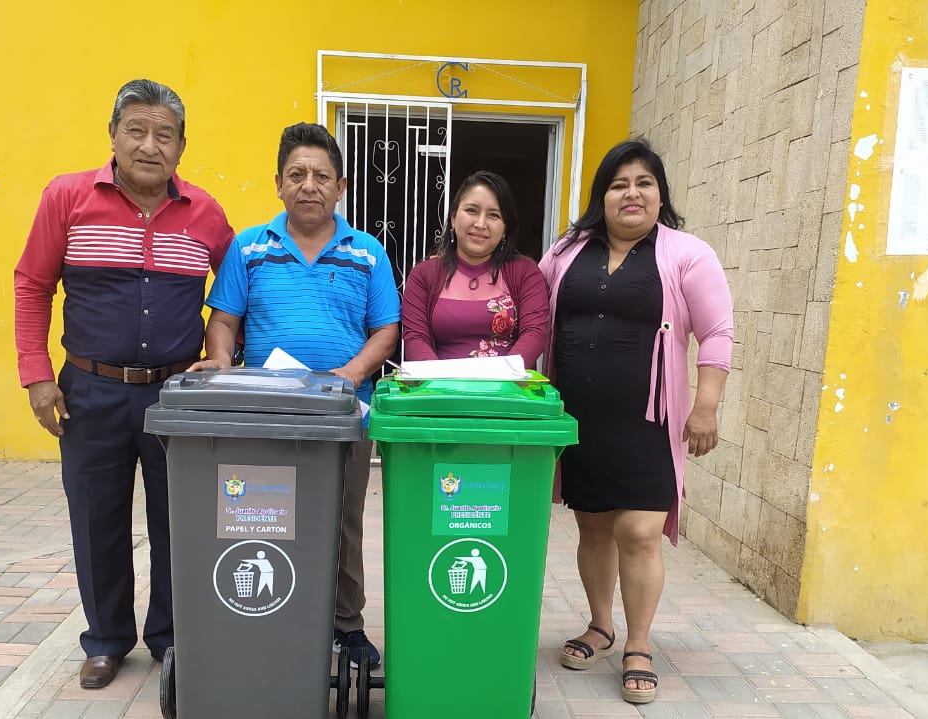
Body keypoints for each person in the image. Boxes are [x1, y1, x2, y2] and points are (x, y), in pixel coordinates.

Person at [13, 79, 234, 689]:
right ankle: (106, 640)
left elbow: (237, 293)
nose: (149, 145)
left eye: (164, 135)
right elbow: (32, 284)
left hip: (176, 396)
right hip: (89, 391)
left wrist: (226, 360)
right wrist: (37, 377)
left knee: (179, 521)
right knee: (96, 519)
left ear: (182, 146)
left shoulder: (206, 213)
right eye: (136, 130)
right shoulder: (66, 197)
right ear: (112, 135)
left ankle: (170, 637)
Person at [189, 122, 399, 668]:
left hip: (343, 413)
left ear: (341, 186)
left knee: (343, 522)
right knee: (266, 517)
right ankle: (270, 612)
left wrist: (350, 373)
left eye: (322, 176)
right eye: (297, 174)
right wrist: (220, 360)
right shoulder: (249, 247)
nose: (309, 185)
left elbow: (386, 329)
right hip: (267, 414)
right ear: (278, 183)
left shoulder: (367, 252)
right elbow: (224, 319)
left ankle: (347, 626)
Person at [538, 139, 733, 704]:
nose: (632, 193)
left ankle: (639, 643)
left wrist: (706, 405)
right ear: (601, 196)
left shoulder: (687, 254)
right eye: (618, 183)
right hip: (579, 419)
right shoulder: (567, 251)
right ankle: (601, 626)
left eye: (644, 182)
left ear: (660, 194)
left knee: (640, 531)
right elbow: (531, 309)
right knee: (594, 526)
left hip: (650, 421)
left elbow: (717, 332)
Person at [400, 171, 548, 364]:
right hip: (437, 382)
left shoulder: (525, 273)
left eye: (493, 215)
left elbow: (535, 333)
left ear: (505, 228)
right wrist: (439, 380)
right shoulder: (423, 275)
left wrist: (502, 377)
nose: (480, 223)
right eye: (471, 210)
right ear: (453, 218)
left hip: (508, 382)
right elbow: (415, 338)